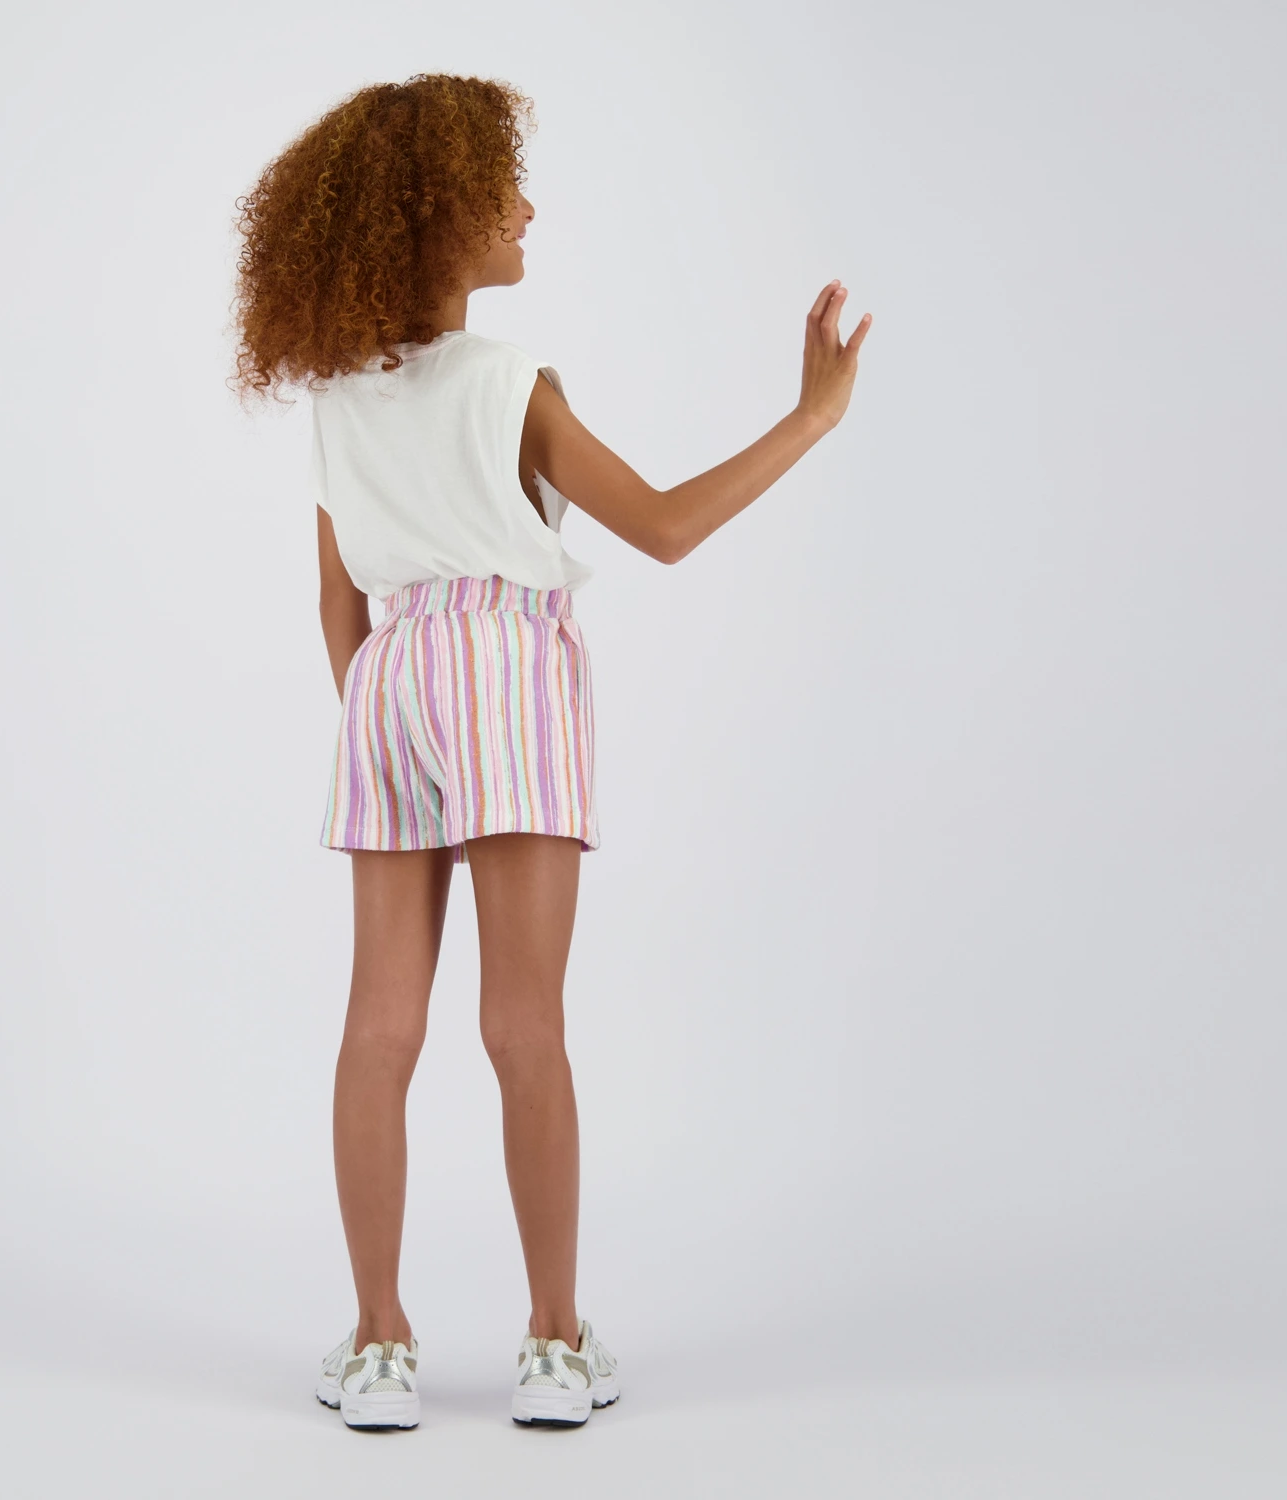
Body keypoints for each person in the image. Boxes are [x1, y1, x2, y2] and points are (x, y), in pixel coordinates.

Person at [232, 72, 869, 1431]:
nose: (526, 208)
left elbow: (338, 600)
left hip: (386, 679)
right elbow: (665, 527)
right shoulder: (508, 381)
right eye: (498, 190)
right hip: (502, 669)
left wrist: (388, 716)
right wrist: (813, 417)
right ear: (434, 219)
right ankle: (556, 1344)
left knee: (378, 1026)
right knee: (523, 1023)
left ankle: (380, 1346)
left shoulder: (338, 399)